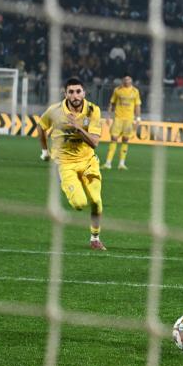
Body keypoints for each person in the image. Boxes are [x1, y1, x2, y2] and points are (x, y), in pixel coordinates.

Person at [37, 77, 106, 250]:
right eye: (71, 92)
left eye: (78, 91)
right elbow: (41, 126)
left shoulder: (93, 110)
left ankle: (95, 238)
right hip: (65, 163)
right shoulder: (55, 111)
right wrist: (44, 151)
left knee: (96, 200)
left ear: (84, 93)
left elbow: (94, 143)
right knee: (79, 204)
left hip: (88, 161)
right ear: (65, 94)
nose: (75, 95)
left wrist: (77, 127)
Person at [103, 74, 141, 170]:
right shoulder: (117, 90)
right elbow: (112, 103)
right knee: (114, 138)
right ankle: (108, 163)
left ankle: (121, 164)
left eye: (128, 79)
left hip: (129, 119)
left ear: (131, 80)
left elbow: (137, 105)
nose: (127, 81)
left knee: (125, 139)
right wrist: (108, 115)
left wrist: (138, 118)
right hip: (118, 118)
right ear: (123, 80)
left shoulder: (135, 91)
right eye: (125, 79)